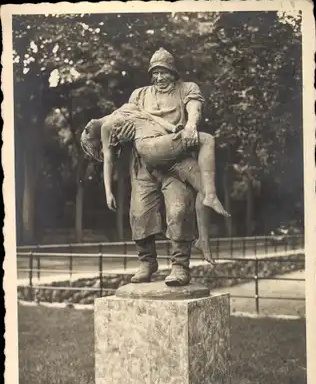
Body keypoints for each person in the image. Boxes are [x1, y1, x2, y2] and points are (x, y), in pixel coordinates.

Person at [82, 48, 228, 286]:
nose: (160, 78)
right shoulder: (139, 95)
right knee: (140, 214)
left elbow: (194, 108)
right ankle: (146, 262)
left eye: (164, 72)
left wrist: (190, 125)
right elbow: (127, 124)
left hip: (176, 160)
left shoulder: (187, 88)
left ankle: (180, 266)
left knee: (179, 211)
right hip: (144, 165)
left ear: (173, 72)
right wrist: (126, 135)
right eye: (155, 73)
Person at [81, 102, 230, 263]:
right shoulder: (107, 127)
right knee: (207, 139)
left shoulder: (127, 106)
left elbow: (151, 118)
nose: (87, 126)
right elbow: (108, 162)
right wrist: (108, 192)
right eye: (87, 133)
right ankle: (150, 261)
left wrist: (173, 129)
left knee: (205, 188)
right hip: (152, 148)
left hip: (167, 150)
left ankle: (204, 240)